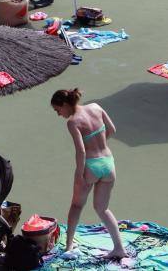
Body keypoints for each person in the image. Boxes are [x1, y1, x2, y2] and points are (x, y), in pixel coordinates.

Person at [51, 88, 126, 260]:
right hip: (108, 162)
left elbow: (81, 151)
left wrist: (79, 174)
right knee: (102, 208)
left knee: (76, 206)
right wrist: (98, 143)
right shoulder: (96, 107)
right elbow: (112, 129)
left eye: (58, 110)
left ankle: (69, 246)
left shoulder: (72, 122)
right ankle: (119, 248)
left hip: (91, 166)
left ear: (65, 104)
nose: (59, 114)